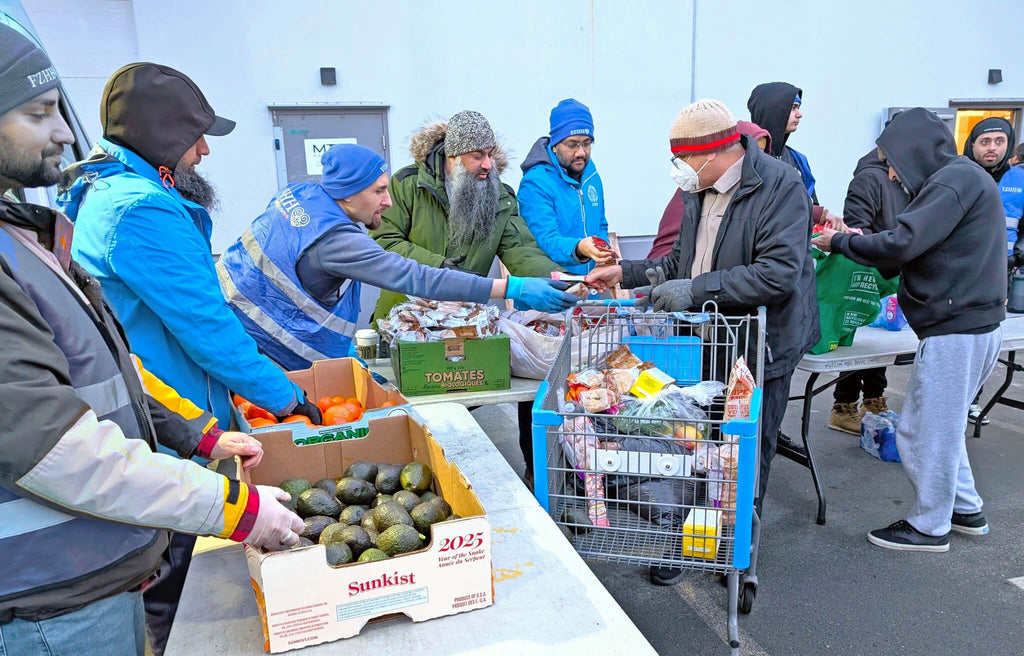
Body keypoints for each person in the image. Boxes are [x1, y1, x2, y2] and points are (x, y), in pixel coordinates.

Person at [0, 25, 302, 654]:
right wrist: (282, 399)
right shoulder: (141, 210)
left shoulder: (55, 216)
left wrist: (196, 431)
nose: (64, 131)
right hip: (60, 581)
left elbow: (103, 362)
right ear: (165, 140)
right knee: (183, 612)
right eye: (39, 112)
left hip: (115, 520)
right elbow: (205, 326)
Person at [587, 99, 819, 583]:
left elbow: (777, 275)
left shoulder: (780, 187)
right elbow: (677, 265)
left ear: (712, 153)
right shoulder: (700, 192)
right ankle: (688, 539)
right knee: (696, 443)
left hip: (762, 344)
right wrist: (624, 273)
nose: (680, 171)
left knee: (747, 451)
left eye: (684, 160)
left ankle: (739, 556)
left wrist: (696, 290)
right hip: (711, 337)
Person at [813, 107, 1005, 552]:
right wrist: (861, 242)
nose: (893, 173)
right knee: (943, 426)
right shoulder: (962, 178)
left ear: (913, 149)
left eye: (892, 161)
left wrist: (839, 241)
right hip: (971, 325)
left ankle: (929, 526)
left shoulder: (952, 181)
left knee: (924, 431)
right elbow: (908, 247)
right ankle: (965, 508)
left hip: (957, 329)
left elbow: (902, 242)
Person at [217, 143, 577, 370]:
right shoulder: (337, 241)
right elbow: (417, 278)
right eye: (378, 191)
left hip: (230, 320)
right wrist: (511, 287)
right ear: (347, 194)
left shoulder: (299, 195)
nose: (387, 201)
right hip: (261, 347)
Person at [370, 110, 567, 489]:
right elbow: (385, 244)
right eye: (478, 155)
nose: (487, 165)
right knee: (407, 414)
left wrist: (554, 279)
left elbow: (520, 248)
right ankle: (409, 485)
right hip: (407, 323)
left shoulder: (500, 196)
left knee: (477, 393)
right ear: (453, 156)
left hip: (465, 323)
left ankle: (523, 478)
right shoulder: (408, 187)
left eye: (491, 154)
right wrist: (440, 268)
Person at [826, 145, 909, 434]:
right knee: (856, 339)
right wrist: (884, 248)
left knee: (876, 344)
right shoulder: (869, 178)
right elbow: (856, 226)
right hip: (869, 268)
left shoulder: (908, 178)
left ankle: (874, 400)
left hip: (889, 269)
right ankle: (844, 405)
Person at [647, 121, 772, 259]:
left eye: (762, 152)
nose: (755, 158)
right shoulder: (698, 188)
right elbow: (671, 253)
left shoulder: (758, 189)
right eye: (753, 150)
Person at [962, 117, 1017, 425]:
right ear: (973, 145)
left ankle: (974, 398)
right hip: (967, 272)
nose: (992, 148)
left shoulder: (1016, 181)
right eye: (985, 142)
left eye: (999, 141)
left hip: (1003, 273)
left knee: (987, 339)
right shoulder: (961, 175)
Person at [518, 98, 612, 274]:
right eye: (572, 144)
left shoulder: (591, 175)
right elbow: (544, 241)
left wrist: (603, 250)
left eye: (587, 143)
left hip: (588, 287)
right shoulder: (535, 183)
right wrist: (580, 248)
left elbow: (601, 223)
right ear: (555, 145)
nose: (581, 152)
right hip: (547, 292)